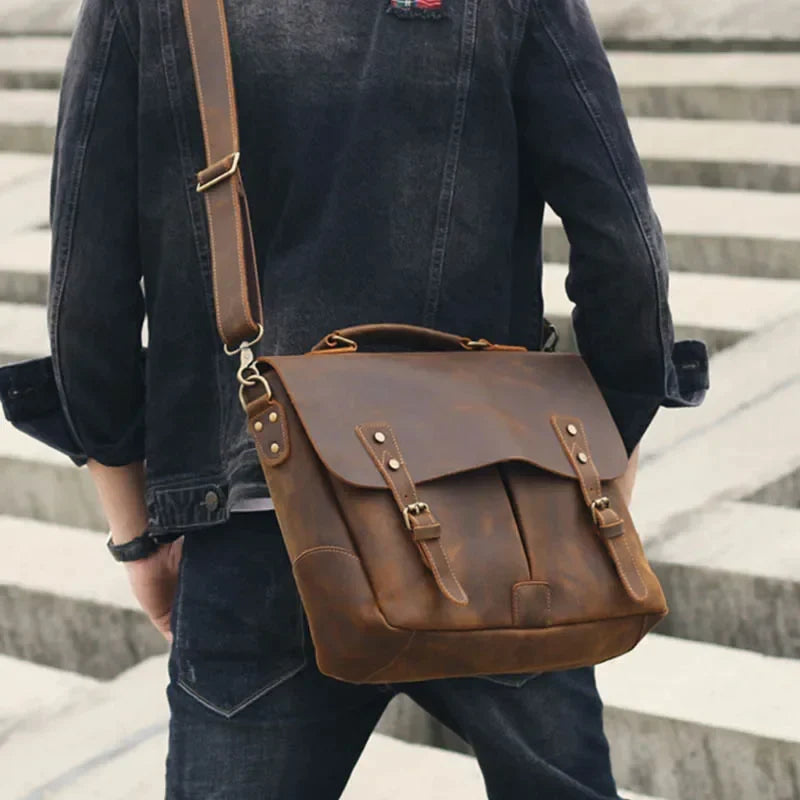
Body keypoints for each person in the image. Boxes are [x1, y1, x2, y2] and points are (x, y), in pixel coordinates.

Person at [2, 0, 708, 797]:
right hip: (499, 519)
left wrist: (136, 530)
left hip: (256, 520)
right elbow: (626, 251)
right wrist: (606, 447)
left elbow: (86, 296)